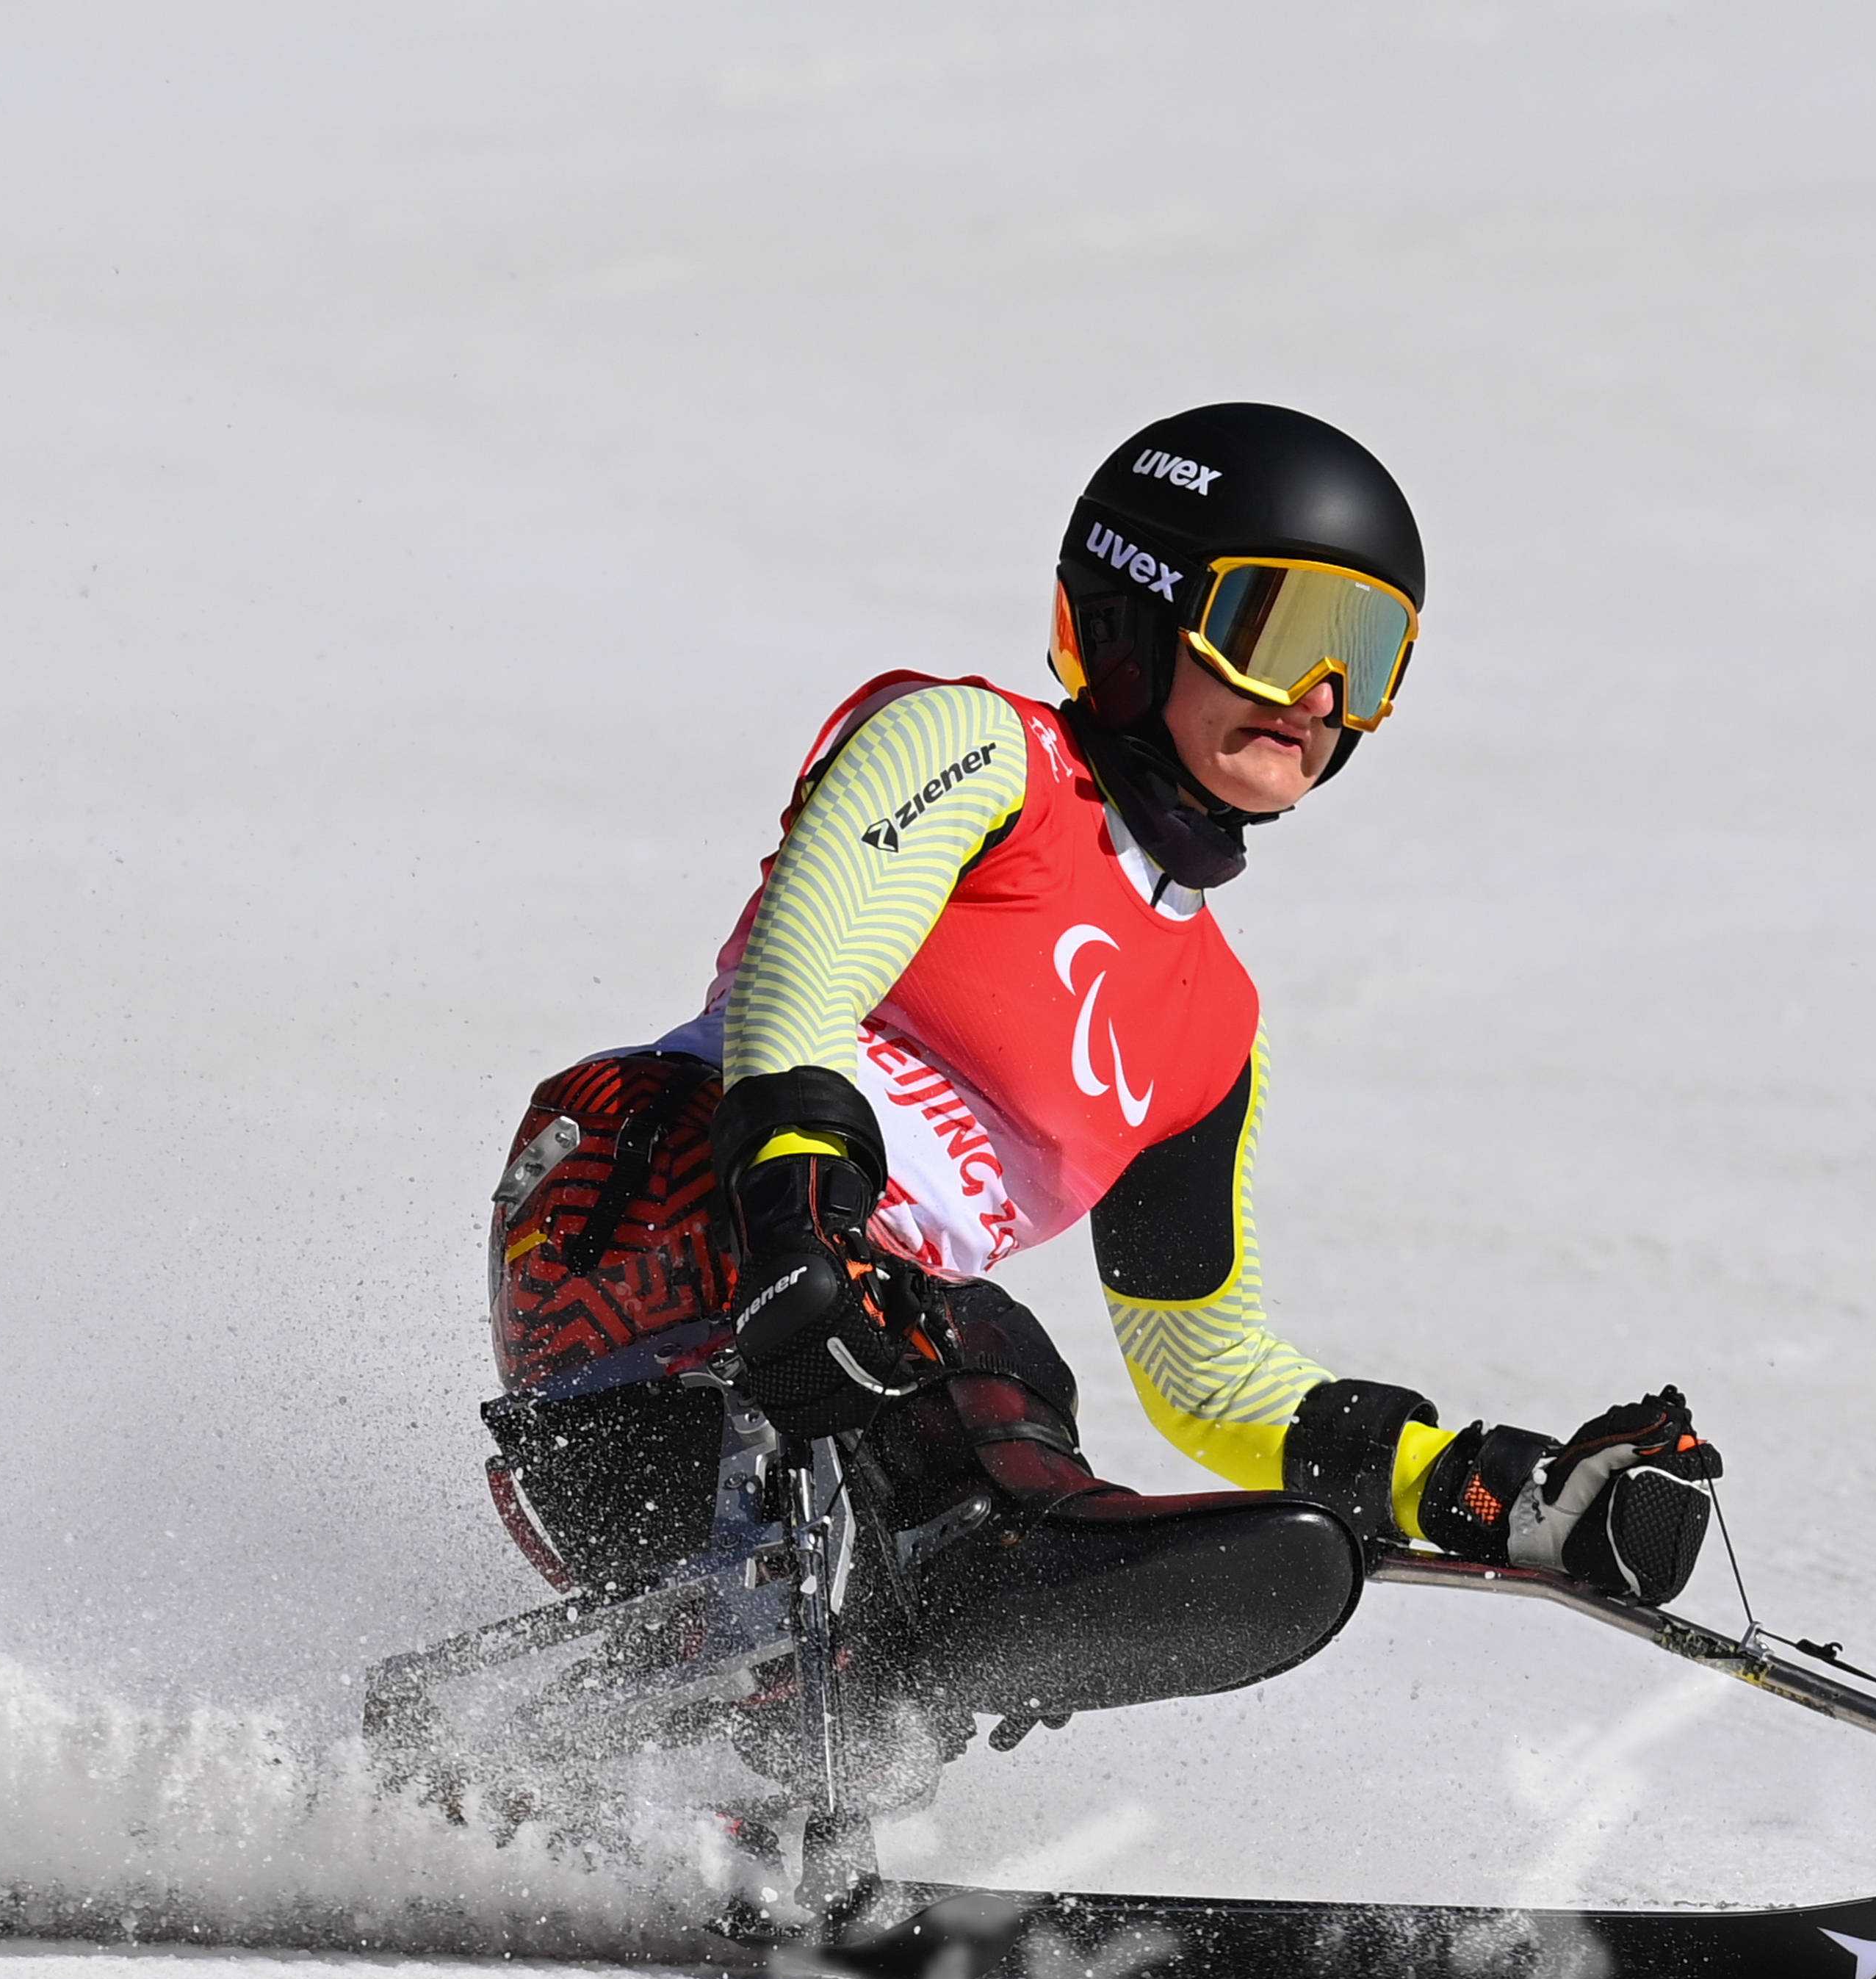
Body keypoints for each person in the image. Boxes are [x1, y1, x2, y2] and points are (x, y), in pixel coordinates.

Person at [483, 403, 1718, 1748]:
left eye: (1366, 660)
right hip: (653, 1214)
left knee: (975, 1362)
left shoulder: (1210, 1023)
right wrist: (796, 1219)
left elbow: (1207, 1369)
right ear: (1140, 612)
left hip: (845, 1370)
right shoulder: (980, 752)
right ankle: (976, 1586)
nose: (1321, 699)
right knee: (983, 1348)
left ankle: (810, 1717)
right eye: (1284, 632)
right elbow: (809, 970)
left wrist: (1471, 1487)